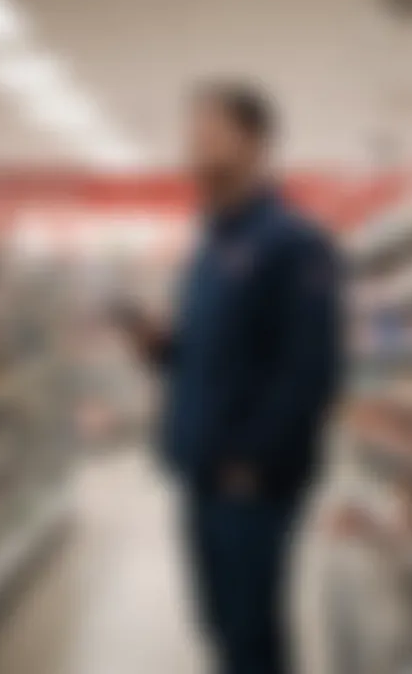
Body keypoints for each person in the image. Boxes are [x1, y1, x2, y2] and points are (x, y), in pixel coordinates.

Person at [115, 80, 341, 674]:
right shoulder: (208, 248)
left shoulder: (294, 243)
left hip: (250, 483)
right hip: (198, 470)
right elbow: (199, 358)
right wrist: (156, 345)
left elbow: (312, 372)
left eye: (208, 129)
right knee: (215, 625)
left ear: (256, 141)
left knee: (251, 637)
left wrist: (254, 464)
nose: (192, 145)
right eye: (190, 132)